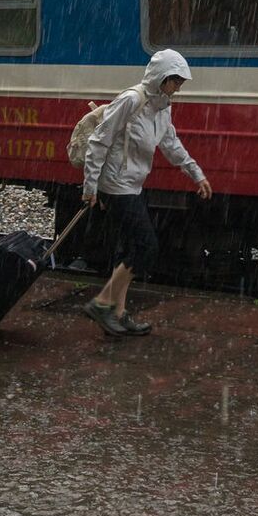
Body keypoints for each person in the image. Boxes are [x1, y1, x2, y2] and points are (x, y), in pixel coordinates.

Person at [82, 48, 212, 336]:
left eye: (180, 83)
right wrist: (90, 186)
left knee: (129, 249)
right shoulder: (131, 100)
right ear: (162, 78)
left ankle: (117, 313)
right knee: (146, 246)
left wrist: (196, 174)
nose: (178, 88)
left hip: (134, 184)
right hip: (116, 186)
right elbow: (98, 141)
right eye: (175, 81)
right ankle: (102, 303)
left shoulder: (161, 107)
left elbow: (170, 144)